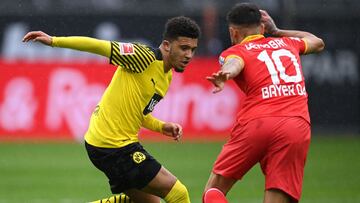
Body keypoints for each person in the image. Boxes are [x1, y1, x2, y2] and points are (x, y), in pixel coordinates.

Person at [23, 16, 200, 203]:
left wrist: (161, 126)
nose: (189, 55)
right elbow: (100, 46)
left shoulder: (167, 77)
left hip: (110, 144)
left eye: (193, 50)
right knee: (179, 193)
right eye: (184, 48)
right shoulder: (144, 57)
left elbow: (140, 114)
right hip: (113, 145)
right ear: (166, 45)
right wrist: (54, 41)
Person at [203, 3, 324, 203]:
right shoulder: (288, 43)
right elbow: (317, 42)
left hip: (257, 123)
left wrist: (227, 73)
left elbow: (235, 63)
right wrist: (277, 31)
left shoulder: (235, 50)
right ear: (262, 28)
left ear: (233, 32)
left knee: (213, 192)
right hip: (295, 126)